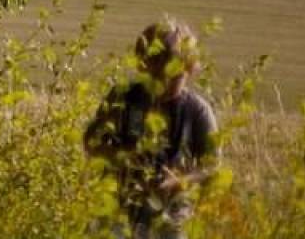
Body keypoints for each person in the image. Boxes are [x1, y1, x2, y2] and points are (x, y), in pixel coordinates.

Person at [84, 19, 219, 238]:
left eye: (173, 76)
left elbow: (211, 166)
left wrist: (178, 182)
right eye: (155, 72)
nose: (163, 83)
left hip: (171, 213)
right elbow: (90, 142)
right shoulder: (122, 96)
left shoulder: (198, 110)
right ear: (142, 64)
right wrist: (122, 158)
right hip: (118, 205)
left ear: (189, 68)